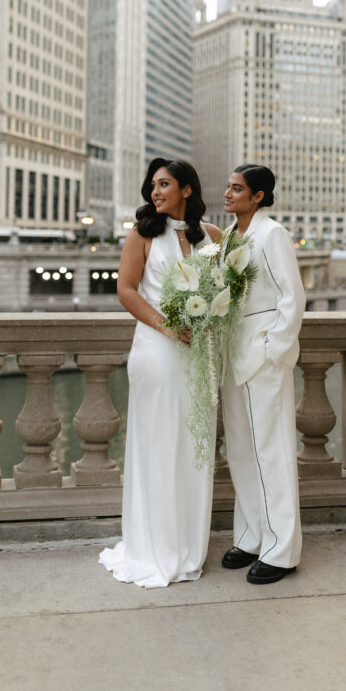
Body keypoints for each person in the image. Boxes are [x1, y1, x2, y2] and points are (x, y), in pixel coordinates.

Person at [99, 158, 222, 588]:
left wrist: (211, 318)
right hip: (157, 352)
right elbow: (125, 290)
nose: (156, 192)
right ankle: (153, 546)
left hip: (200, 355)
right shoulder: (142, 234)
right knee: (161, 445)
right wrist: (167, 326)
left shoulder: (212, 237)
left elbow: (224, 291)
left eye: (165, 184)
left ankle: (188, 546)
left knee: (194, 445)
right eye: (153, 185)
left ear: (188, 189)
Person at [220, 164, 306, 584]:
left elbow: (293, 296)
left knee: (272, 451)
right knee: (240, 449)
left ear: (258, 195)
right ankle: (253, 535)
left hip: (263, 356)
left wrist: (275, 350)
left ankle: (282, 549)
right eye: (229, 186)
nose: (228, 193)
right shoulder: (232, 237)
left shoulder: (273, 234)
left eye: (238, 188)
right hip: (233, 355)